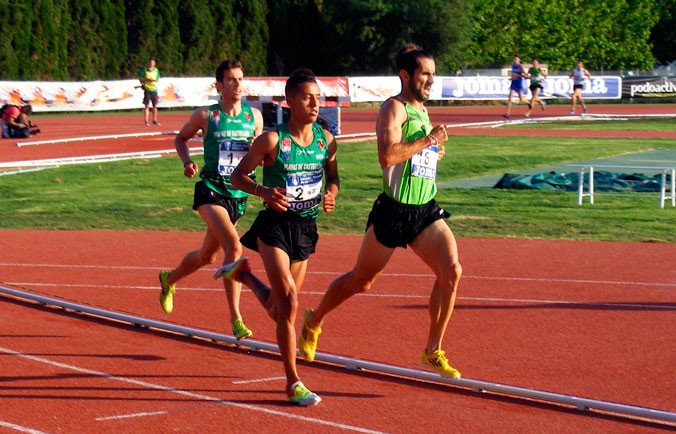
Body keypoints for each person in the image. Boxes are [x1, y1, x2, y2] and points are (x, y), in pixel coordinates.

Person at [298, 44, 463, 379]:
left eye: (433, 73)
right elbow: (387, 156)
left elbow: (414, 154)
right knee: (362, 280)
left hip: (424, 210)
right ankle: (313, 322)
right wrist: (428, 142)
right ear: (406, 76)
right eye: (425, 74)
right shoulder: (394, 108)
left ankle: (432, 350)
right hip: (394, 211)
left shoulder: (422, 109)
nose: (431, 80)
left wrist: (432, 152)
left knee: (452, 272)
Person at [214, 68, 339, 406]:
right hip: (274, 227)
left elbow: (334, 175)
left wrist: (331, 194)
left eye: (317, 97)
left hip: (305, 229)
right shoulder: (271, 140)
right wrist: (263, 191)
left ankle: (244, 275)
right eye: (306, 97)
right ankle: (293, 382)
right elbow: (238, 176)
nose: (315, 103)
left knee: (279, 308)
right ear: (290, 102)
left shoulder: (326, 139)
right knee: (290, 303)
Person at [158, 59, 263, 341]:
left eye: (240, 79)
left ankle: (169, 279)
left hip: (238, 196)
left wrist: (257, 153)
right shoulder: (207, 116)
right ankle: (236, 318)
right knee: (234, 247)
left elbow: (259, 153)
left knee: (208, 256)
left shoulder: (255, 117)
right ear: (219, 85)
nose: (237, 84)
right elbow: (180, 139)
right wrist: (187, 162)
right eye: (231, 79)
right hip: (211, 189)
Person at [503, 55, 530, 119]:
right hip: (513, 83)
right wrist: (512, 78)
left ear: (519, 60)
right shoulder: (513, 66)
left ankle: (529, 103)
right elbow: (513, 74)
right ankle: (507, 113)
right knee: (510, 98)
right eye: (514, 59)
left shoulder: (520, 66)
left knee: (521, 99)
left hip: (519, 83)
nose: (514, 60)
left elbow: (525, 75)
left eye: (516, 59)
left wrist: (519, 75)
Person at [138, 58, 161, 126]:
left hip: (154, 89)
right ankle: (146, 121)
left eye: (153, 63)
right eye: (150, 62)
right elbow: (140, 79)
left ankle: (154, 120)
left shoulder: (156, 70)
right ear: (148, 63)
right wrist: (146, 80)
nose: (151, 64)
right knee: (147, 105)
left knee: (155, 106)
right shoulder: (144, 70)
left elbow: (157, 79)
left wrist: (154, 80)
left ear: (154, 64)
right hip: (147, 89)